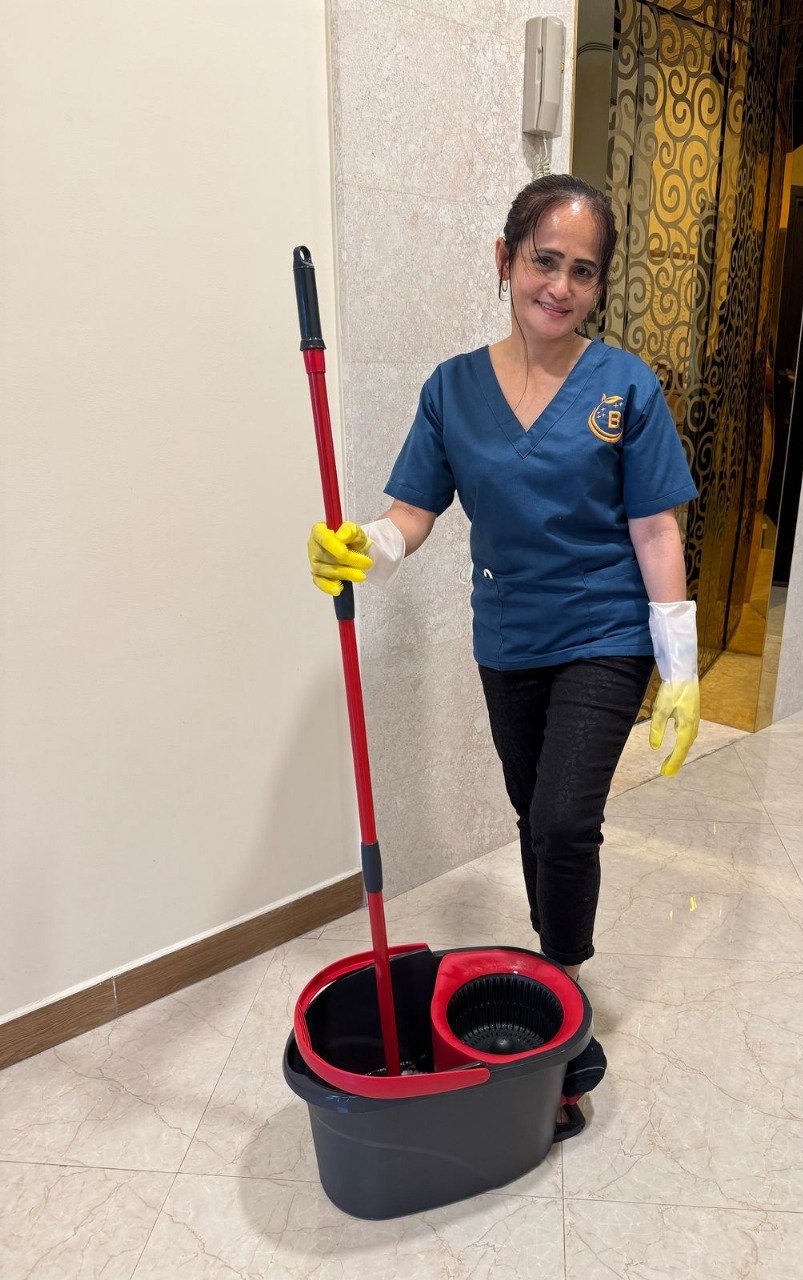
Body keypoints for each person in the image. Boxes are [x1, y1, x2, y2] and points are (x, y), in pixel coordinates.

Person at [307, 174, 700, 987]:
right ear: (506, 258)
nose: (559, 287)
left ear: (599, 282)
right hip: (509, 637)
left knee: (563, 821)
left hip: (605, 631)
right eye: (543, 260)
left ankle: (563, 986)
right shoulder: (452, 388)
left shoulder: (627, 388)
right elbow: (411, 514)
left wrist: (682, 666)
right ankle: (556, 972)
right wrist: (363, 546)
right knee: (534, 817)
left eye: (582, 270)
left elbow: (656, 527)